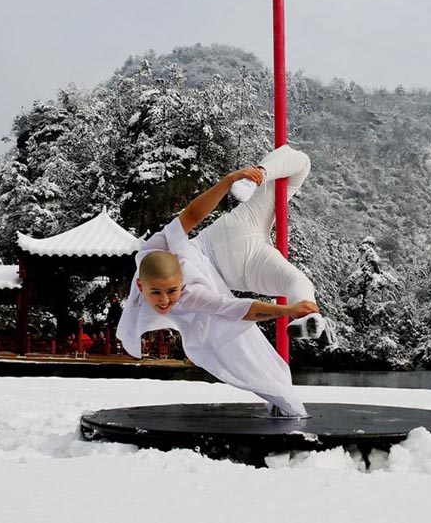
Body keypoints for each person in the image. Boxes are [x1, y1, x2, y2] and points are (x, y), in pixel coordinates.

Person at [117, 145, 336, 417]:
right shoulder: (165, 266)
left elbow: (193, 215)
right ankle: (305, 312)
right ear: (141, 286)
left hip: (232, 248)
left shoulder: (178, 285)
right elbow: (238, 308)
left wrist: (231, 179)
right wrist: (285, 311)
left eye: (171, 291)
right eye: (158, 294)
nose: (165, 301)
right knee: (294, 279)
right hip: (232, 249)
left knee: (300, 165)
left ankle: (306, 314)